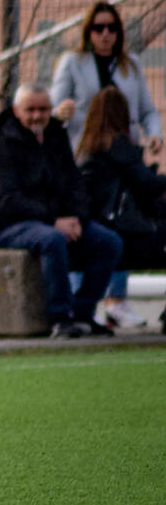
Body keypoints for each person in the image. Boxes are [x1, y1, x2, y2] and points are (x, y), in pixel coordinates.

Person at [0, 83, 122, 339]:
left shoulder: (56, 135)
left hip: (56, 220)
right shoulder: (1, 145)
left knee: (109, 242)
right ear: (17, 111)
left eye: (43, 109)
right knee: (52, 240)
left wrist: (77, 217)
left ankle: (83, 314)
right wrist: (54, 220)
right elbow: (7, 200)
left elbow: (74, 182)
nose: (37, 116)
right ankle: (60, 318)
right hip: (11, 225)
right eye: (30, 110)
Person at [50, 0, 163, 329]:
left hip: (123, 156)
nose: (105, 34)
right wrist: (62, 112)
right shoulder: (73, 63)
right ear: (88, 32)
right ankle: (80, 299)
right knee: (91, 221)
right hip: (85, 155)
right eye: (98, 28)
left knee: (125, 217)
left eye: (112, 28)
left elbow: (146, 110)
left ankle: (117, 300)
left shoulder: (130, 65)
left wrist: (154, 134)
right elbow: (56, 107)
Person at [74, 86, 166, 334]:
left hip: (97, 227)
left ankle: (83, 311)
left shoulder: (85, 148)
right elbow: (146, 184)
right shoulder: (118, 145)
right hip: (124, 233)